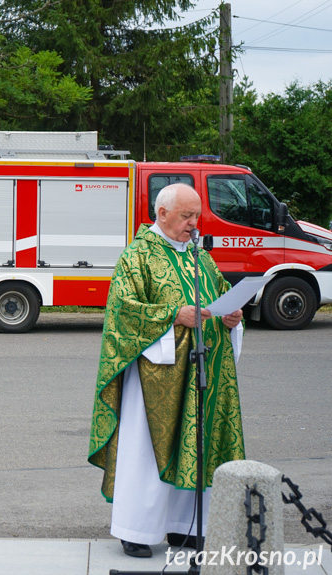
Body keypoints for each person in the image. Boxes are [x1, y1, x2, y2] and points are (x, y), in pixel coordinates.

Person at [88, 183, 245, 559]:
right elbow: (122, 310)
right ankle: (135, 529)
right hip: (155, 376)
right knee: (145, 449)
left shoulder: (199, 257)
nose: (194, 224)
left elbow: (219, 293)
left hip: (203, 371)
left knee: (196, 444)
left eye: (197, 216)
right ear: (162, 213)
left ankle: (182, 526)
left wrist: (231, 318)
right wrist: (174, 315)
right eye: (186, 216)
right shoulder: (138, 256)